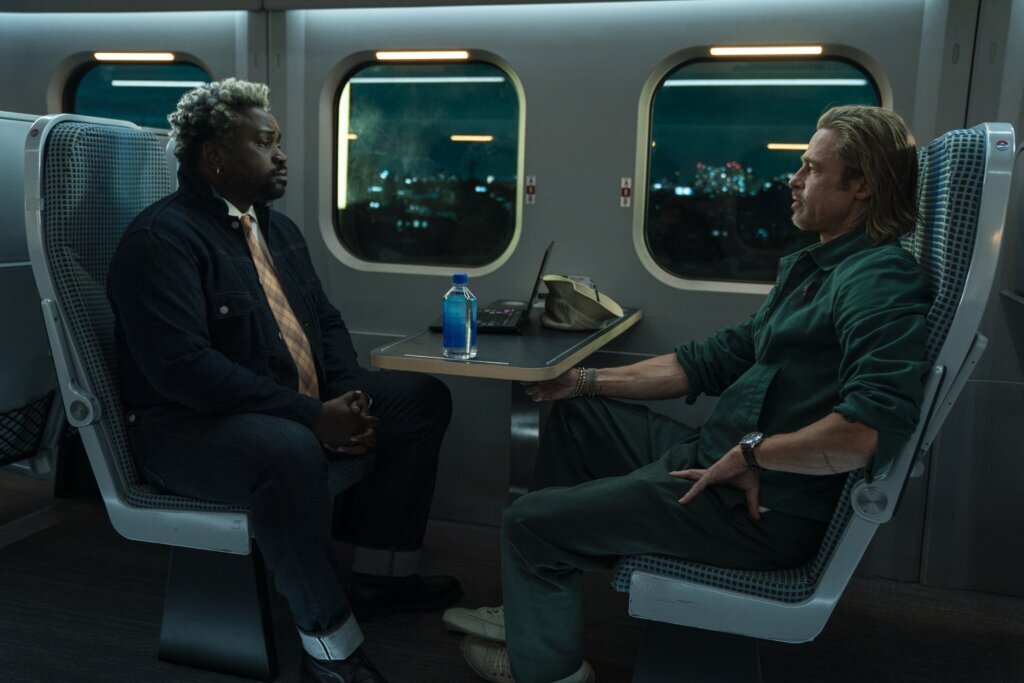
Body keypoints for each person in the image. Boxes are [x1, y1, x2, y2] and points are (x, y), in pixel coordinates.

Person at [445, 105, 932, 683]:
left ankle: (548, 670)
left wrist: (753, 455)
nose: (794, 180)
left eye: (813, 168)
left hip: (756, 507)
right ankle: (535, 610)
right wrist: (580, 381)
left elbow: (867, 431)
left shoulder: (878, 280)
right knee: (578, 418)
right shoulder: (818, 272)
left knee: (527, 523)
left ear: (862, 187)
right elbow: (708, 361)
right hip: (714, 457)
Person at [107, 78, 460, 683]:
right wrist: (312, 417)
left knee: (423, 400)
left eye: (278, 142)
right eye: (264, 142)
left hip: (282, 405)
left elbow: (324, 321)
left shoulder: (278, 230)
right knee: (290, 450)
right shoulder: (160, 241)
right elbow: (185, 372)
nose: (281, 155)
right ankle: (329, 651)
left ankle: (382, 578)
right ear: (214, 155)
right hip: (184, 428)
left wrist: (345, 394)